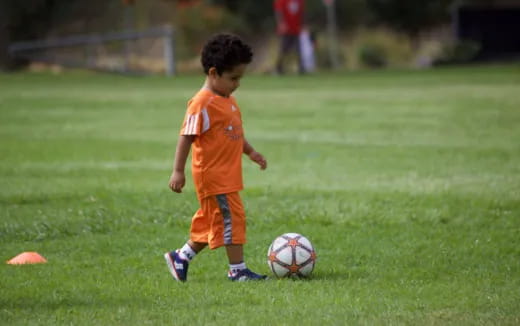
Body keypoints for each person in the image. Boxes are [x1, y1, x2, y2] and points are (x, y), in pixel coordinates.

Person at [164, 34, 268, 282]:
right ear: (213, 73)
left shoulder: (227, 100)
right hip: (213, 176)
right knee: (233, 218)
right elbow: (186, 137)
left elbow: (233, 134)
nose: (237, 84)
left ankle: (181, 257)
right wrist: (178, 171)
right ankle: (238, 270)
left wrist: (250, 152)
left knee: (211, 221)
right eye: (233, 78)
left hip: (227, 176)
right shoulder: (201, 104)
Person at [274, 0, 305, 74]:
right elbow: (278, 12)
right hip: (286, 30)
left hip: (296, 29)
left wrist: (303, 24)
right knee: (283, 50)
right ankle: (279, 68)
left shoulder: (300, 1)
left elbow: (302, 13)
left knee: (299, 50)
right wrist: (281, 24)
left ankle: (301, 69)